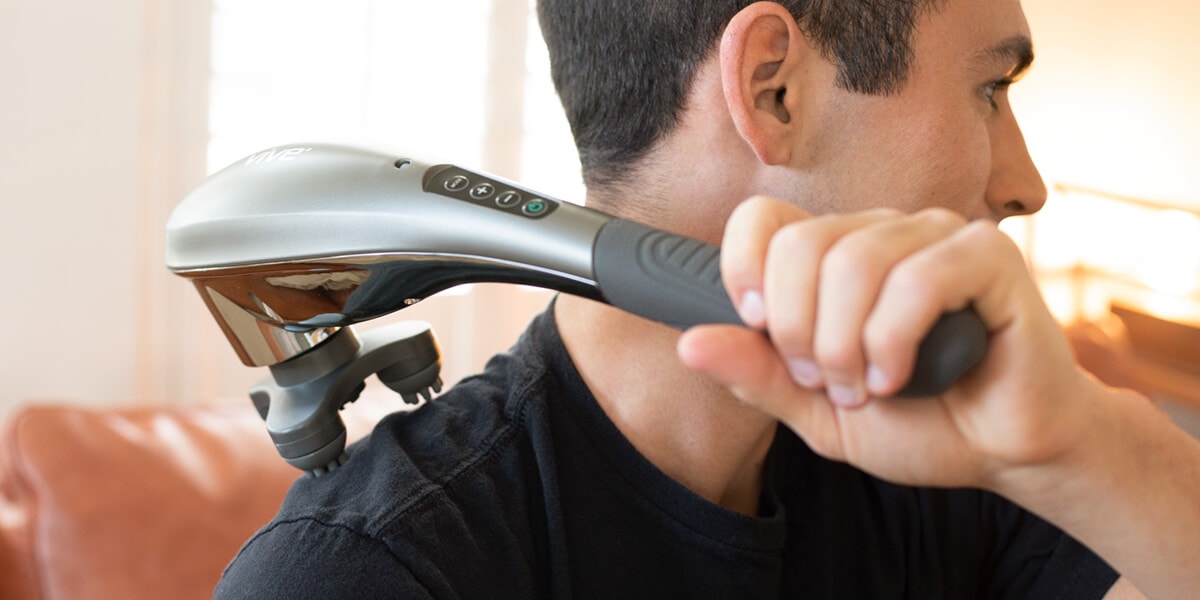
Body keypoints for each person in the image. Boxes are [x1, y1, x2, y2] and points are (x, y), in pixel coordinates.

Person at [216, 0, 1200, 598]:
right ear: (773, 87)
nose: (1026, 184)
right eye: (991, 88)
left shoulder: (959, 469)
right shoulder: (369, 574)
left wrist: (1086, 444)